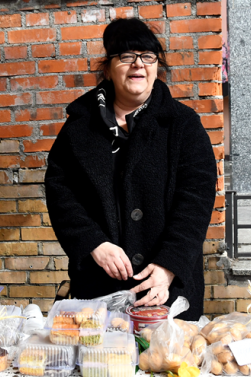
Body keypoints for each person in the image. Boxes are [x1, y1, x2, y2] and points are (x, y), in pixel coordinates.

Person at [45, 18, 217, 320]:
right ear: (108, 68)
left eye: (148, 56)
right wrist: (93, 242)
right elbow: (61, 194)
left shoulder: (183, 125)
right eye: (126, 56)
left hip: (167, 286)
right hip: (99, 288)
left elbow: (196, 202)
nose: (139, 65)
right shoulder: (79, 128)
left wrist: (169, 265)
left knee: (166, 363)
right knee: (101, 364)